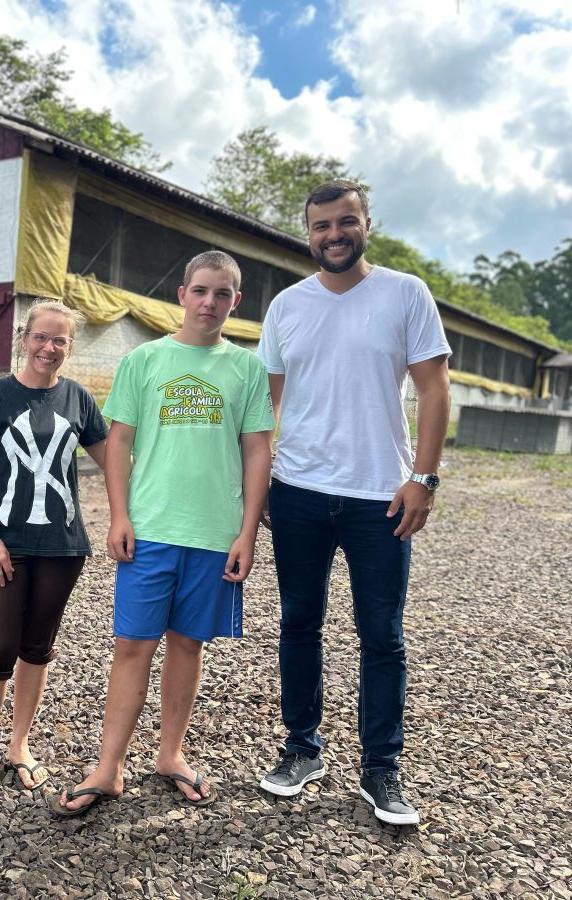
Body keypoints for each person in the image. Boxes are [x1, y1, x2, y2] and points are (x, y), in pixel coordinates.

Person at [52, 250, 274, 818]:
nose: (209, 303)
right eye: (200, 291)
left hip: (213, 533)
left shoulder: (246, 369)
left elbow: (256, 451)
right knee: (132, 646)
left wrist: (247, 532)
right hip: (150, 528)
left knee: (187, 645)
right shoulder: (144, 361)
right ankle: (109, 766)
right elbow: (118, 442)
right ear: (182, 294)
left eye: (221, 294)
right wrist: (119, 515)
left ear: (235, 302)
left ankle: (169, 754)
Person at [255, 180, 450, 826]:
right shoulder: (287, 306)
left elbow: (433, 387)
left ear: (368, 223)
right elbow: (267, 408)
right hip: (300, 492)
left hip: (379, 496)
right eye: (321, 226)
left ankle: (381, 771)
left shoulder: (405, 294)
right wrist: (256, 489)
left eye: (346, 222)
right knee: (298, 623)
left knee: (383, 637)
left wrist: (424, 477)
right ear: (307, 232)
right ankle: (301, 749)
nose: (333, 235)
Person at [0, 302, 108, 803]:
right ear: (25, 339)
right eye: (42, 337)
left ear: (69, 346)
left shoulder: (78, 399)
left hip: (63, 548)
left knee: (37, 648)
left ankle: (19, 746)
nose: (49, 348)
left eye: (60, 340)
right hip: (6, 545)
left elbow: (116, 462)